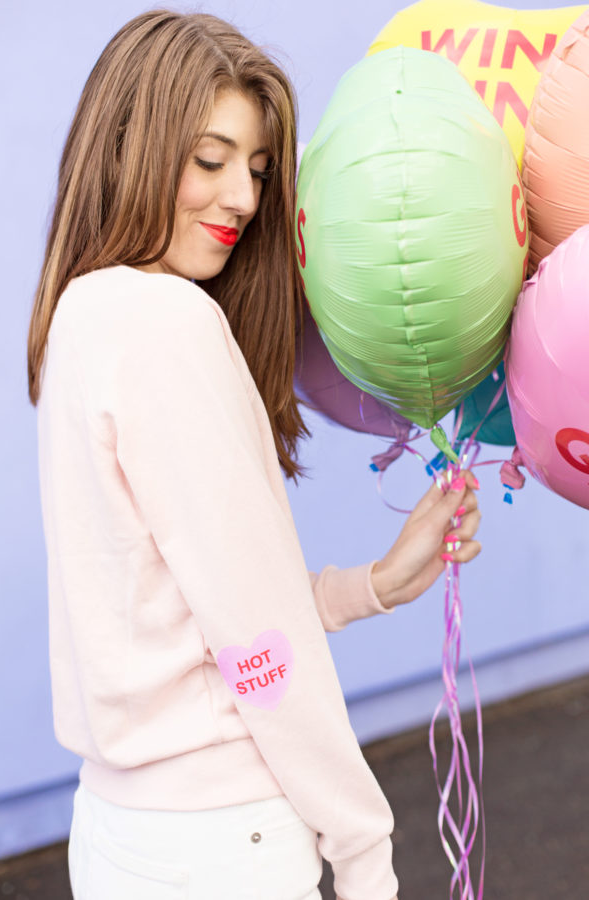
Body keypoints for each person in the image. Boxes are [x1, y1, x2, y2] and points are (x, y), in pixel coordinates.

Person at [26, 10, 481, 900]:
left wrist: (373, 585)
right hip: (223, 843)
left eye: (259, 170)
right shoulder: (168, 325)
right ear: (130, 143)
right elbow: (260, 653)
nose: (242, 196)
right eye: (211, 159)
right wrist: (364, 849)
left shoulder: (81, 316)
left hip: (119, 834)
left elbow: (207, 617)